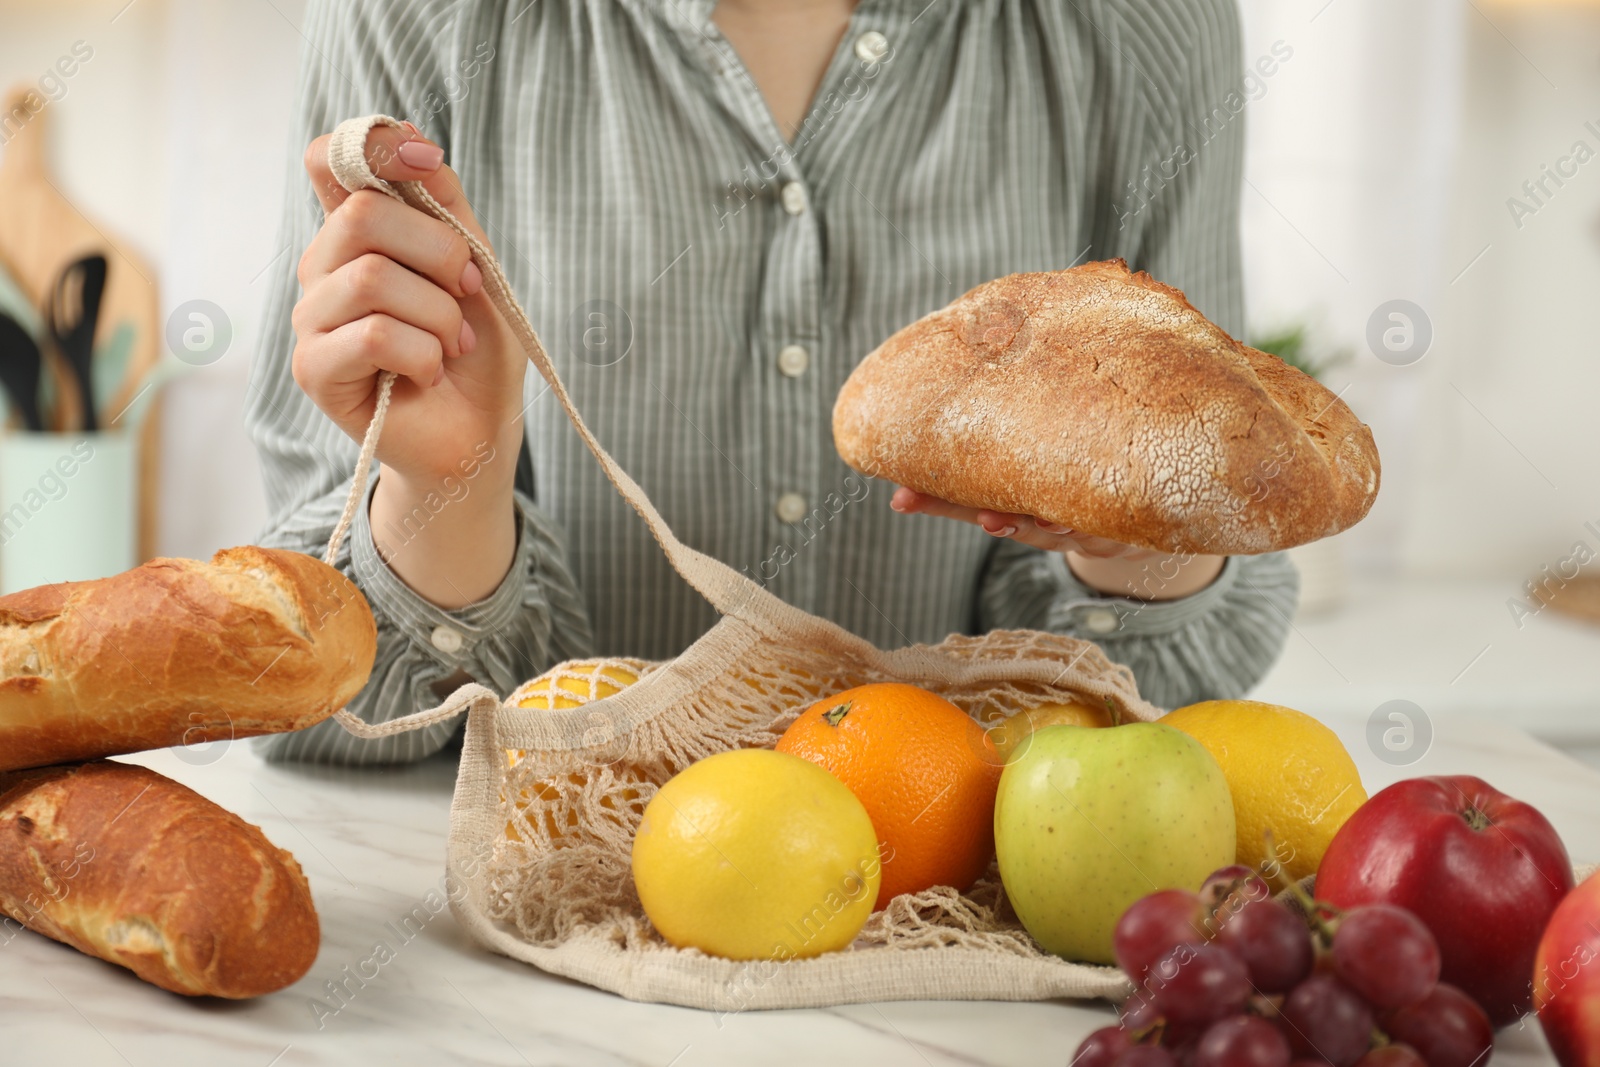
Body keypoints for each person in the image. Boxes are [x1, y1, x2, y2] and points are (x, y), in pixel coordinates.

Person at [247, 0, 1298, 764]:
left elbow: (1169, 685)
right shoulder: (413, 16)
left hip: (974, 918)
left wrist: (1142, 536)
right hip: (518, 949)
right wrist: (450, 491)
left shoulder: (1150, 25)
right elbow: (315, 688)